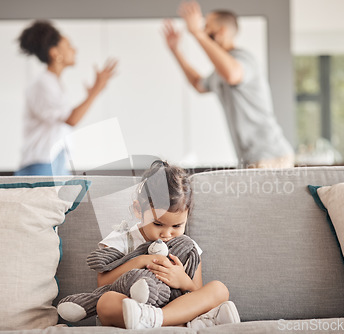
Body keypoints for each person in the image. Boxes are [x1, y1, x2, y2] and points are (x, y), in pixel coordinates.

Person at [93, 160, 240, 329]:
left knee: (219, 289)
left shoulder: (188, 248)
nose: (167, 234)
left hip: (173, 310)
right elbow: (102, 284)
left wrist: (183, 280)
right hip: (133, 309)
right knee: (105, 302)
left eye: (177, 226)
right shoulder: (121, 239)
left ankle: (156, 319)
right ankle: (187, 322)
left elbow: (195, 292)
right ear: (138, 210)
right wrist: (142, 260)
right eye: (158, 224)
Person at [163, 2, 294, 169]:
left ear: (221, 32)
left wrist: (196, 33)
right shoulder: (220, 72)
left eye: (206, 27)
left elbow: (232, 75)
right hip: (251, 158)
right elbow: (198, 84)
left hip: (271, 156)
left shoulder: (244, 59)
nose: (203, 31)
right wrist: (176, 51)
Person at [15, 20, 118, 176]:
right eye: (68, 46)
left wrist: (92, 94)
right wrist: (95, 91)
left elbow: (67, 120)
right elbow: (71, 119)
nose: (74, 50)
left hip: (53, 163)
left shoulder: (53, 83)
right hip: (41, 166)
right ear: (55, 53)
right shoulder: (43, 83)